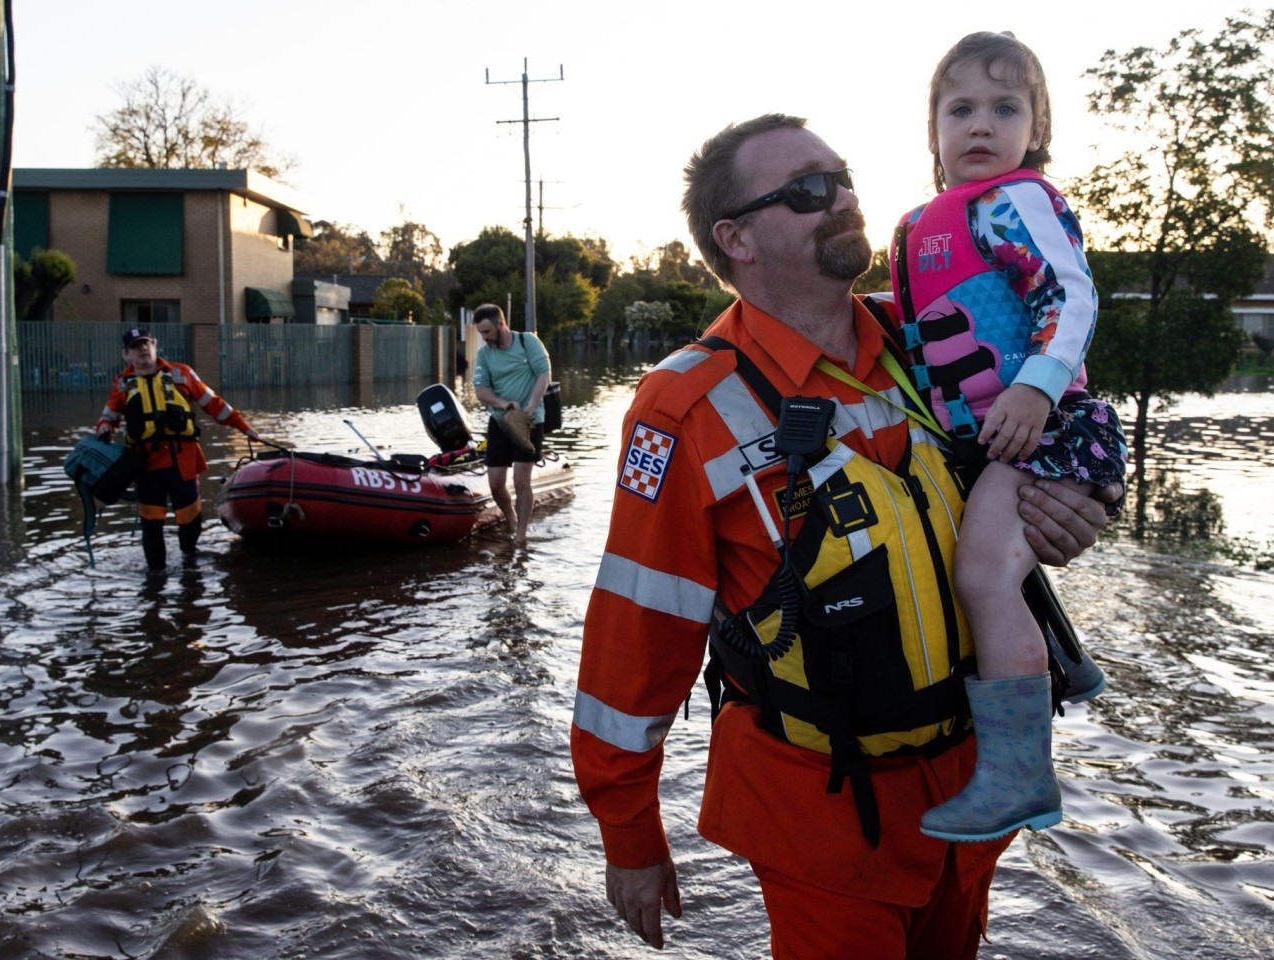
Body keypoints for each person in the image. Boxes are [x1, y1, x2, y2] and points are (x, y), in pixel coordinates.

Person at [571, 113, 1122, 959]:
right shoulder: (685, 409)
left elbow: (1034, 460)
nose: (845, 199)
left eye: (844, 178)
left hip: (974, 792)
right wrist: (630, 834)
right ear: (737, 239)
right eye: (807, 191)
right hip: (822, 818)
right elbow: (636, 631)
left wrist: (1076, 512)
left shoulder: (931, 343)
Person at [888, 32, 1128, 844]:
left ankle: (1022, 777)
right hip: (993, 439)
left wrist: (1033, 384)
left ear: (1037, 126)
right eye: (960, 109)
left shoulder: (1017, 203)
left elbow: (1072, 294)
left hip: (1045, 426)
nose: (980, 124)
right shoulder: (929, 224)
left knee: (983, 571)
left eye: (1004, 107)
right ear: (933, 132)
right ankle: (1069, 665)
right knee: (991, 565)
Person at [95, 326, 260, 571]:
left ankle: (189, 560)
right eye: (135, 346)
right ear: (126, 355)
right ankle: (156, 577)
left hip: (182, 462)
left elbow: (213, 404)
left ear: (154, 345)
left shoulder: (181, 374)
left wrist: (243, 427)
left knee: (191, 520)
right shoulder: (122, 385)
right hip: (146, 465)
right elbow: (109, 415)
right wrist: (104, 428)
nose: (142, 349)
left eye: (146, 343)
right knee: (151, 525)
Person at [470, 303, 552, 547]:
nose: (484, 338)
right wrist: (503, 403)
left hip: (530, 421)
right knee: (495, 482)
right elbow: (480, 390)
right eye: (481, 333)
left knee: (520, 480)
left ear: (500, 324)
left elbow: (543, 375)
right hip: (500, 421)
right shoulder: (485, 354)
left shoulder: (528, 343)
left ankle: (521, 535)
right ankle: (512, 520)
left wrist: (528, 408)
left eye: (487, 332)